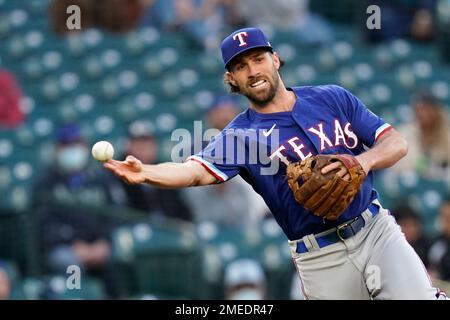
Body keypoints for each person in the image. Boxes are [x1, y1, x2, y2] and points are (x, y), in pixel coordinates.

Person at [104, 27, 447, 299]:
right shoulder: (240, 136)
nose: (252, 71)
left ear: (276, 59)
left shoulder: (332, 97)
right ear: (231, 81)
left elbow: (396, 143)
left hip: (375, 231)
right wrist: (146, 172)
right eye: (240, 66)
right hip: (320, 257)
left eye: (258, 59)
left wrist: (362, 162)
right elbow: (194, 171)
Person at [33, 123, 126, 297]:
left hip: (100, 244)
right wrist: (74, 244)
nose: (73, 148)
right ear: (57, 148)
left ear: (84, 145)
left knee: (121, 254)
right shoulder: (45, 182)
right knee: (70, 264)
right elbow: (43, 223)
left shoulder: (99, 177)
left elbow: (116, 214)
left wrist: (104, 242)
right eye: (67, 144)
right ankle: (75, 296)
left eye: (76, 143)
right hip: (65, 247)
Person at [120, 120, 193, 222]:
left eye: (147, 142)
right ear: (128, 146)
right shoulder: (118, 174)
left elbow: (183, 211)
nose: (143, 147)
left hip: (168, 232)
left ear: (155, 145)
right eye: (137, 142)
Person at [392, 91, 450, 181]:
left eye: (427, 109)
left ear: (436, 111)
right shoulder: (404, 132)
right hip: (411, 183)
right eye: (419, 109)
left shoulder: (446, 133)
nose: (422, 113)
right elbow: (396, 167)